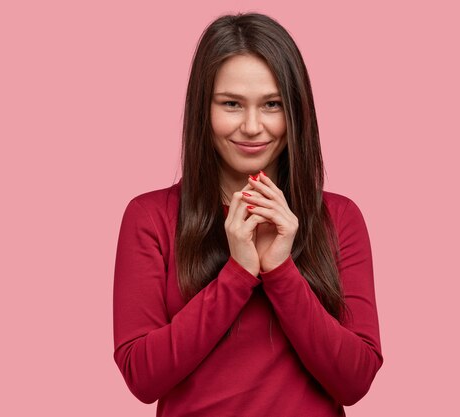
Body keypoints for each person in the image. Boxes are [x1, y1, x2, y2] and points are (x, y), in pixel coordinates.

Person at [112, 12, 383, 416]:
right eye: (232, 105)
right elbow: (142, 377)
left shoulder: (339, 218)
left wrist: (280, 271)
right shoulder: (150, 216)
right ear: (203, 110)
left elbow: (355, 380)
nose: (253, 126)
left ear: (296, 112)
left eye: (272, 104)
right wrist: (237, 275)